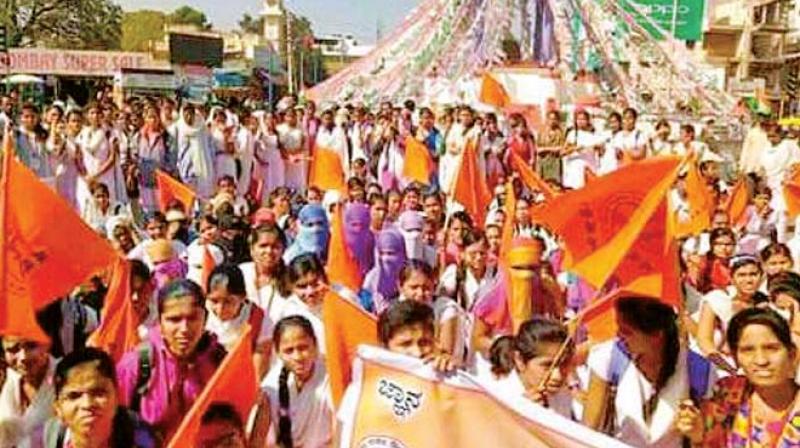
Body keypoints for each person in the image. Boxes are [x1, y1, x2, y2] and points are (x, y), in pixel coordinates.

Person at [582, 296, 714, 448]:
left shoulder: (699, 369)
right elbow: (588, 431)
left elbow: (707, 442)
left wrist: (697, 435)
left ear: (656, 335)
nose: (619, 336)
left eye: (627, 331)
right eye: (618, 328)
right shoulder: (608, 358)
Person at [116, 279, 227, 439]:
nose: (184, 329)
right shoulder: (137, 364)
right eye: (174, 319)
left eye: (192, 318)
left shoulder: (218, 360)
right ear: (160, 321)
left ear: (205, 319)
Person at [678, 308, 800, 447]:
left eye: (771, 348)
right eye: (748, 350)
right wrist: (698, 435)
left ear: (791, 354)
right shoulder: (728, 398)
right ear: (736, 358)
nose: (761, 360)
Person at [41, 348, 155, 448]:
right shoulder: (52, 436)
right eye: (74, 396)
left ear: (116, 398)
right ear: (58, 408)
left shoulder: (142, 440)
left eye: (98, 393)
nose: (87, 404)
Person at [253, 316, 333, 448]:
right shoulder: (270, 387)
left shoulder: (331, 378)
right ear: (278, 353)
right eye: (289, 351)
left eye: (303, 348)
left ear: (315, 345)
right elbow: (257, 441)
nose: (297, 357)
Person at [488, 317, 574, 417]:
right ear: (519, 360)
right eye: (547, 365)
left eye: (563, 364)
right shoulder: (495, 399)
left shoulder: (562, 396)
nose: (557, 376)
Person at [205, 264, 272, 379]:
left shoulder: (257, 318)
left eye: (228, 301)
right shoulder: (202, 314)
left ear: (243, 297)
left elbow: (261, 355)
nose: (220, 309)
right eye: (214, 301)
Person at [696, 255, 766, 359]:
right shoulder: (717, 299)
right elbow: (704, 340)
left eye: (753, 274)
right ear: (732, 278)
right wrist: (728, 368)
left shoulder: (766, 301)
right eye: (742, 275)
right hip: (721, 362)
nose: (749, 280)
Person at [0, 337, 56, 447]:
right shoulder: (5, 379)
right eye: (12, 349)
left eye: (32, 346)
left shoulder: (67, 379)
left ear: (48, 343)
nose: (23, 357)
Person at [277, 254, 329, 354]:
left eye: (315, 284)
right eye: (302, 286)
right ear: (291, 286)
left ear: (325, 278)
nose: (310, 292)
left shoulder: (343, 298)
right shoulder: (289, 311)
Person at [363, 228, 407, 314]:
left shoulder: (408, 274)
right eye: (382, 253)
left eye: (391, 253)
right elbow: (364, 304)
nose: (386, 259)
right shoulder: (371, 278)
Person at [175, 104, 215, 199]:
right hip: (185, 169)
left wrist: (211, 163)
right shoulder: (178, 128)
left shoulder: (202, 127)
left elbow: (210, 146)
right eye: (186, 114)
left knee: (202, 198)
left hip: (203, 170)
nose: (189, 117)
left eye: (191, 114)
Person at [185, 214, 225, 287]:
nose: (208, 233)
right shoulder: (193, 248)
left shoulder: (226, 245)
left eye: (210, 227)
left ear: (218, 227)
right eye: (203, 231)